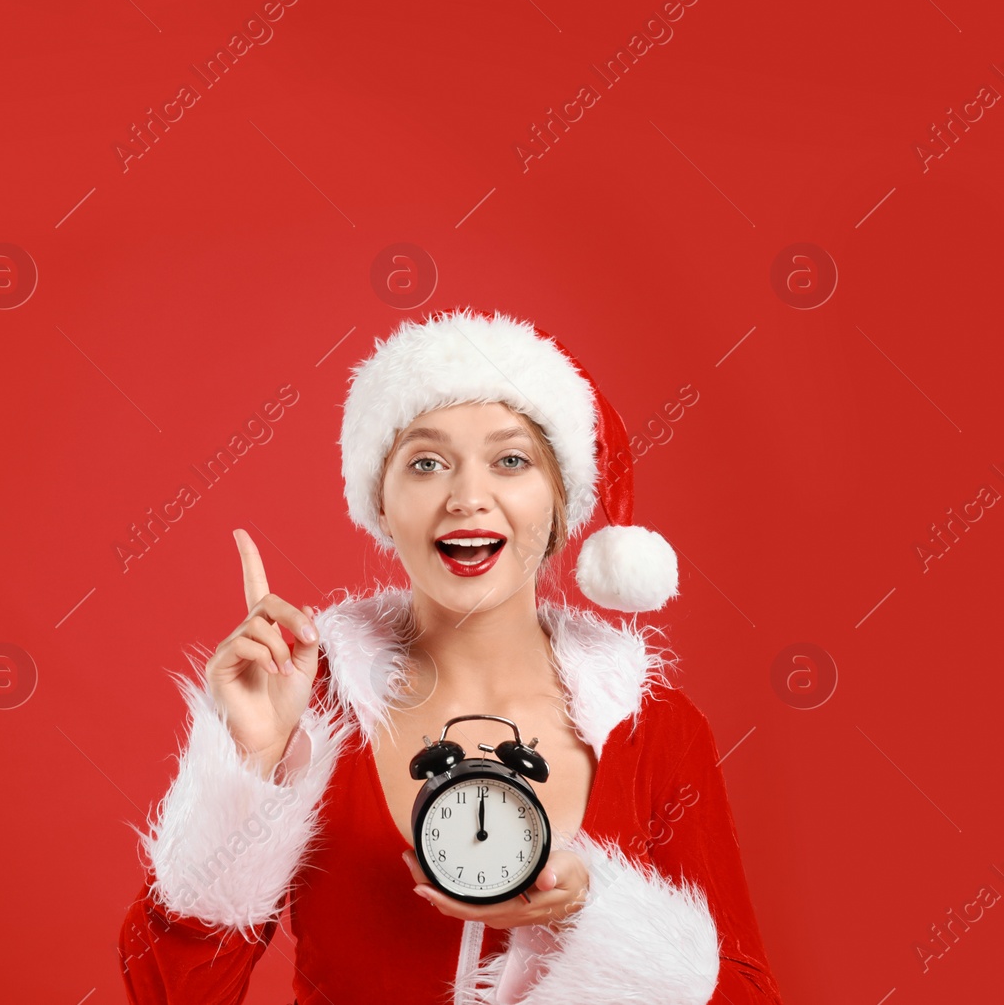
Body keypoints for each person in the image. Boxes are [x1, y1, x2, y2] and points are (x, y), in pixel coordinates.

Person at [116, 307, 785, 1004]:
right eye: (427, 462)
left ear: (561, 502)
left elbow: (748, 994)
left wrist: (599, 918)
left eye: (511, 460)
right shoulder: (311, 711)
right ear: (381, 497)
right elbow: (168, 995)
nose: (468, 498)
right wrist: (249, 766)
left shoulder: (657, 731)